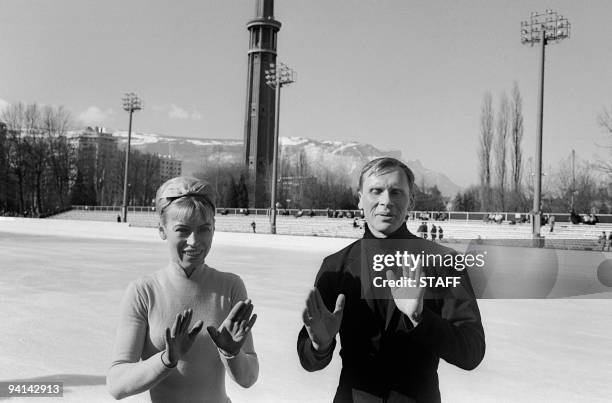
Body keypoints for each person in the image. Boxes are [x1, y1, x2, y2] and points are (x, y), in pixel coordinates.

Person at [297, 157, 485, 403]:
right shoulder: (336, 267)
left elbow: (471, 351)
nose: (386, 201)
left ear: (411, 200)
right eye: (376, 191)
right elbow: (308, 358)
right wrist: (319, 346)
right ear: (360, 199)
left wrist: (420, 318)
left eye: (396, 192)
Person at [107, 177, 258, 402]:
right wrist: (166, 359)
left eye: (204, 229)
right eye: (182, 230)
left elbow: (248, 378)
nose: (194, 241)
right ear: (162, 229)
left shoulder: (230, 287)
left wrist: (232, 353)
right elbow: (117, 384)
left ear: (214, 229)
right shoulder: (144, 292)